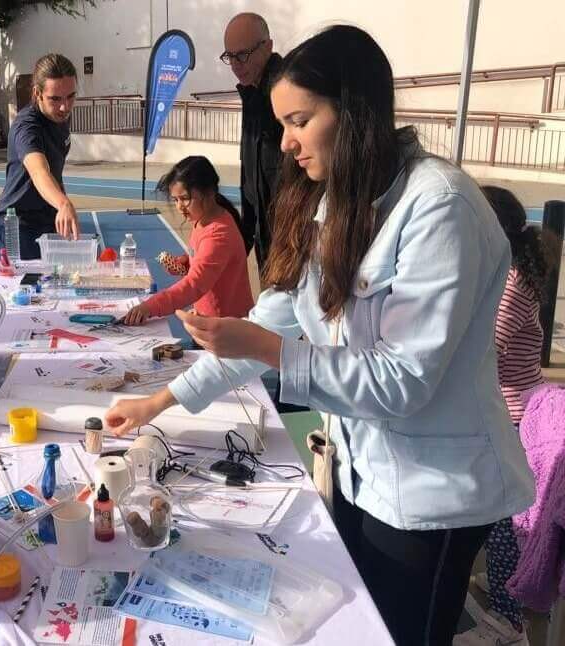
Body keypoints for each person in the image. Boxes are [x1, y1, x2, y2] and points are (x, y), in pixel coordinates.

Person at [103, 26, 534, 646]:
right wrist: (158, 402)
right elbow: (268, 323)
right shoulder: (333, 201)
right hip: (364, 472)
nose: (287, 143)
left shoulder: (440, 208)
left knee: (399, 631)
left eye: (299, 120)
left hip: (432, 491)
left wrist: (268, 350)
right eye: (282, 124)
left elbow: (401, 379)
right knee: (357, 624)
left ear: (353, 110)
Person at [453, 186, 547, 646]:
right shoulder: (501, 273)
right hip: (506, 410)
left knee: (501, 519)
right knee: (496, 519)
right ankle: (505, 588)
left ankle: (510, 623)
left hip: (512, 417)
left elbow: (482, 352)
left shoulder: (509, 285)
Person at [121, 156, 253, 326]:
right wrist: (187, 262)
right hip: (209, 323)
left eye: (184, 198)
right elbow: (206, 259)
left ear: (209, 192)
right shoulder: (202, 219)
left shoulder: (219, 234)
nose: (179, 207)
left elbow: (194, 284)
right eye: (175, 200)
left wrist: (149, 307)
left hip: (227, 330)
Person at [0, 53, 81, 259]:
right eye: (55, 99)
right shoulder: (27, 128)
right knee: (31, 286)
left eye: (70, 96)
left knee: (59, 279)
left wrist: (58, 205)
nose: (65, 106)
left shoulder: (60, 116)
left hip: (48, 213)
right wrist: (64, 203)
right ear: (37, 93)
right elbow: (39, 171)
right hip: (20, 220)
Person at [223, 13, 283, 265]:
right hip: (264, 242)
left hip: (292, 243)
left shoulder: (289, 89)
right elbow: (251, 184)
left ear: (267, 46)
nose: (236, 64)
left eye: (243, 54)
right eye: (230, 56)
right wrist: (239, 247)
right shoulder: (251, 95)